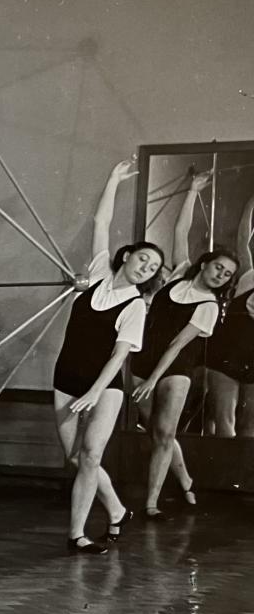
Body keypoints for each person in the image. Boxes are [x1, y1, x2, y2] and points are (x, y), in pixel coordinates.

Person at [52, 160, 161, 555]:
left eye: (152, 269)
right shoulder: (98, 270)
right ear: (128, 255)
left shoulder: (136, 306)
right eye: (143, 260)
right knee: (77, 459)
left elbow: (118, 357)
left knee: (92, 453)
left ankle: (76, 535)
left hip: (105, 385)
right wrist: (113, 178)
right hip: (66, 376)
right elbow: (101, 222)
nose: (145, 269)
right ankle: (116, 509)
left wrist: (96, 392)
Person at [130, 170, 237, 518]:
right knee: (156, 431)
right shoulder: (178, 274)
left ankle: (151, 503)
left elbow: (177, 344)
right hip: (144, 359)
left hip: (175, 368)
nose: (221, 276)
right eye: (219, 268)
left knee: (164, 433)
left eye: (227, 275)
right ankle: (186, 479)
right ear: (205, 264)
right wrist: (191, 190)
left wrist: (152, 379)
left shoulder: (208, 306)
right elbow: (180, 231)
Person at [204, 194, 254, 437]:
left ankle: (244, 476)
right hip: (227, 355)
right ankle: (225, 475)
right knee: (225, 423)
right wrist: (251, 202)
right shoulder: (249, 276)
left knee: (250, 427)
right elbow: (242, 240)